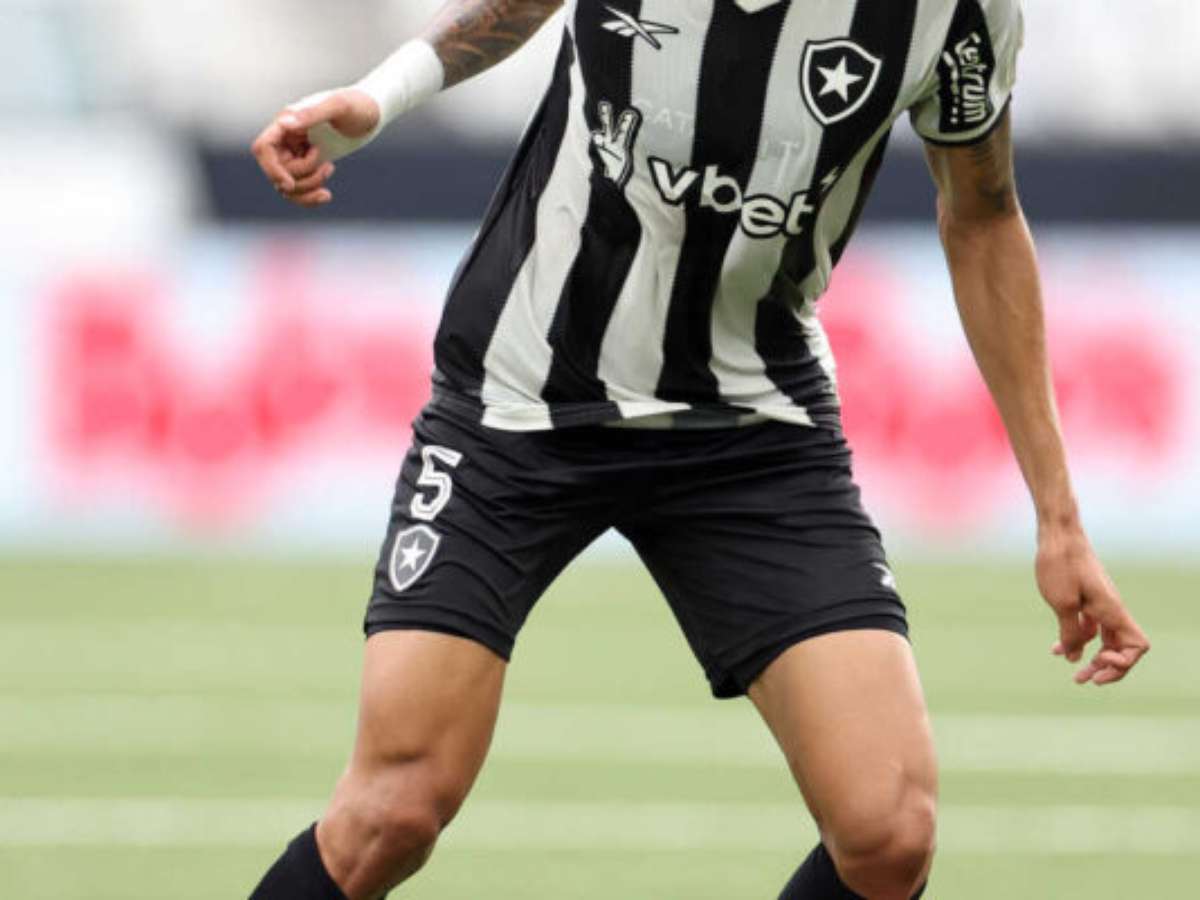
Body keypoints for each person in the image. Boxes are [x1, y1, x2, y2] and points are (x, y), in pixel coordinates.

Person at [248, 1, 1151, 897]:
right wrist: (381, 96)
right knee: (393, 811)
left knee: (890, 833)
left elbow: (984, 216)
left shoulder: (956, 12)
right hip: (520, 402)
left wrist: (1059, 519)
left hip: (751, 422)